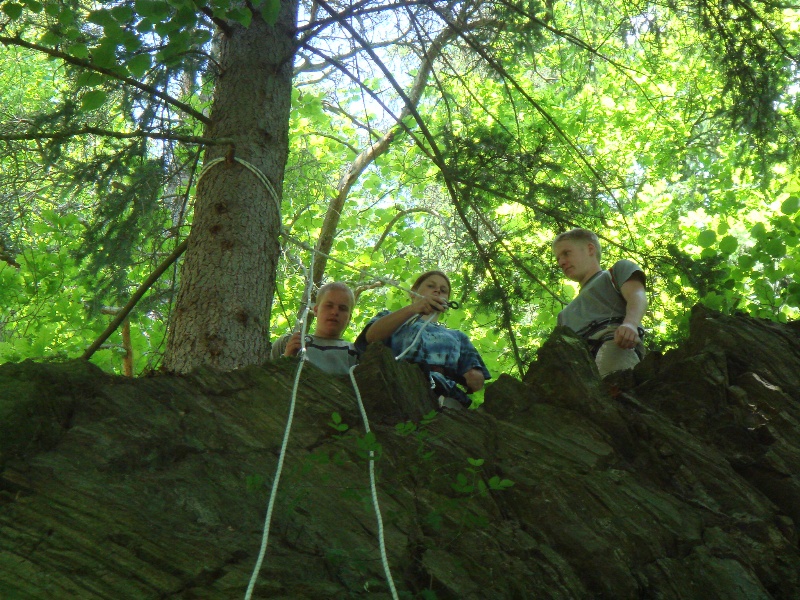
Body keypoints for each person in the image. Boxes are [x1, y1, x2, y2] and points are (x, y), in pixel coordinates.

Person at [355, 270, 491, 409]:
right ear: (413, 292)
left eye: (443, 290)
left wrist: (474, 376)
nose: (437, 290)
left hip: (445, 396)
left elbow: (476, 384)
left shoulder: (457, 337)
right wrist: (414, 309)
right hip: (396, 385)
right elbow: (371, 337)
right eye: (431, 286)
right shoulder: (392, 318)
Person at [552, 228, 647, 377]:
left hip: (614, 345)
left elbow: (637, 294)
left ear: (590, 249)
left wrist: (630, 324)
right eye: (558, 259)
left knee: (616, 393)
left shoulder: (614, 273)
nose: (561, 262)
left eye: (566, 253)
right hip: (579, 372)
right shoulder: (564, 315)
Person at [270, 282, 359, 376]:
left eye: (342, 308)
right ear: (316, 310)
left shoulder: (355, 353)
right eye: (329, 306)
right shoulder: (289, 342)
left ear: (349, 317)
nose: (335, 312)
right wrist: (287, 358)